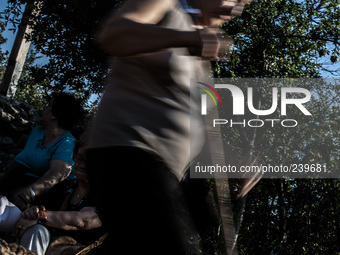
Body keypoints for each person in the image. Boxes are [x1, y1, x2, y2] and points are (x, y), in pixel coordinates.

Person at [85, 0, 250, 254]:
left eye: (244, 3)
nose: (235, 9)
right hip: (126, 158)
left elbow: (188, 129)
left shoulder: (201, 49)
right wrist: (186, 37)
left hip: (165, 174)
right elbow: (113, 34)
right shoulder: (168, 5)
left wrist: (233, 159)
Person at [0, 139, 105, 255]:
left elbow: (82, 221)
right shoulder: (65, 187)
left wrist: (40, 216)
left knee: (37, 230)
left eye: (89, 161)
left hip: (75, 250)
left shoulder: (105, 197)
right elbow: (41, 208)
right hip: (46, 243)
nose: (82, 165)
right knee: (4, 206)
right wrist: (32, 212)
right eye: (79, 158)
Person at [0, 92, 84, 211]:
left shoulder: (67, 142)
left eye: (49, 105)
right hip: (17, 180)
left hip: (45, 192)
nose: (45, 107)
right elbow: (22, 161)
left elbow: (57, 174)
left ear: (55, 114)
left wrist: (28, 193)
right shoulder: (37, 131)